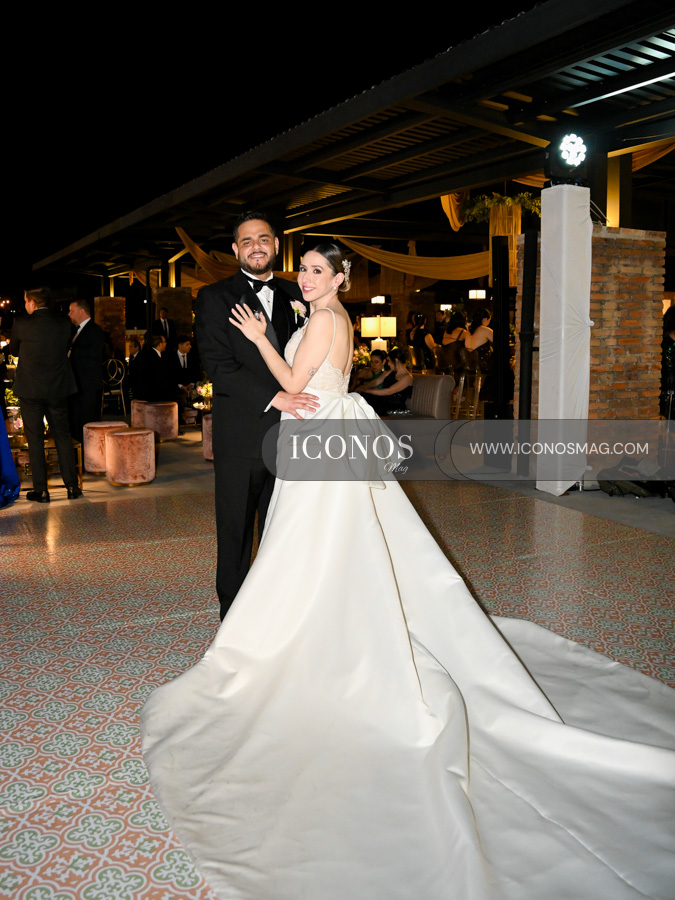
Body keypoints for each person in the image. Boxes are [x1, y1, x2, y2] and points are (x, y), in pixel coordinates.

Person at [141, 241, 674, 900]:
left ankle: (313, 638)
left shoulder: (326, 320)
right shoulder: (334, 320)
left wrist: (258, 337)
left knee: (309, 546)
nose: (306, 279)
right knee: (326, 545)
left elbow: (290, 383)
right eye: (302, 269)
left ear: (338, 278)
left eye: (316, 271)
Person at [194, 211, 318, 620]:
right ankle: (232, 617)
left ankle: (275, 610)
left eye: (263, 239)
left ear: (277, 245)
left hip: (292, 436)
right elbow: (219, 366)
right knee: (234, 529)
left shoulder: (297, 294)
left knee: (281, 528)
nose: (256, 246)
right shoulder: (214, 297)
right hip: (242, 436)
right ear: (235, 250)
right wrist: (275, 398)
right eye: (247, 241)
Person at [8, 288, 82, 502]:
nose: (24, 306)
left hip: (30, 389)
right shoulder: (63, 323)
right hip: (58, 388)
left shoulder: (22, 323)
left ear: (32, 303)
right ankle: (71, 487)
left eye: (25, 301)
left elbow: (13, 350)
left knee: (35, 438)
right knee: (62, 435)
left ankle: (41, 490)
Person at [67, 299, 105, 442]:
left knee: (86, 423)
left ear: (82, 311)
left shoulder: (94, 330)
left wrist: (70, 351)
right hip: (76, 385)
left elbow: (93, 355)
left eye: (72, 310)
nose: (69, 314)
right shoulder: (74, 331)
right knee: (75, 422)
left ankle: (87, 457)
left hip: (87, 385)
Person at [357, 347, 413, 415]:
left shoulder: (407, 377)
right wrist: (363, 387)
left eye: (389, 361)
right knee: (363, 398)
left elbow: (389, 391)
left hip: (396, 408)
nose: (388, 364)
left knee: (368, 403)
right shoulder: (390, 372)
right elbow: (376, 382)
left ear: (396, 360)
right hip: (384, 403)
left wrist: (367, 390)